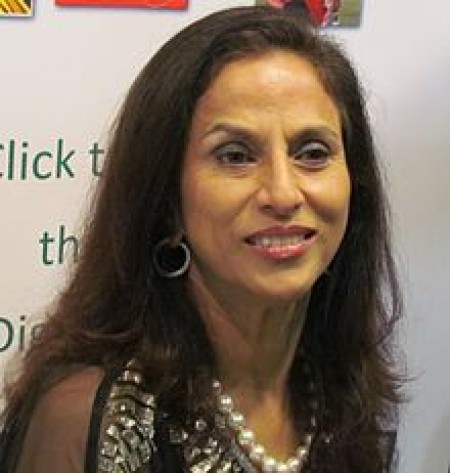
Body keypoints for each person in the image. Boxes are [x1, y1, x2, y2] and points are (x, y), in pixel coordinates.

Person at [0, 6, 403, 473]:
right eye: (235, 156)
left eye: (312, 153)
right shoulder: (85, 418)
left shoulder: (344, 396)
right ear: (169, 201)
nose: (283, 193)